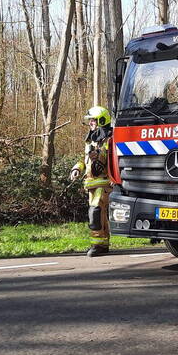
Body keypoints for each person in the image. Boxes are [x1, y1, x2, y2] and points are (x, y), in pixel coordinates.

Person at [70, 105, 113, 257]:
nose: (90, 124)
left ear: (101, 121)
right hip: (91, 184)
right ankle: (103, 244)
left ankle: (97, 245)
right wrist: (77, 169)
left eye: (93, 121)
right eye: (89, 121)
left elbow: (113, 160)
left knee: (95, 211)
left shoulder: (109, 140)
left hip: (103, 182)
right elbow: (84, 161)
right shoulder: (90, 141)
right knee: (100, 215)